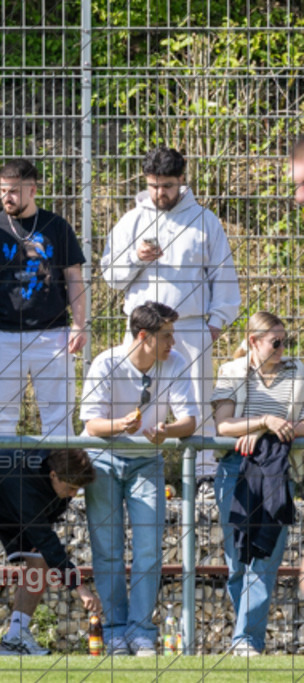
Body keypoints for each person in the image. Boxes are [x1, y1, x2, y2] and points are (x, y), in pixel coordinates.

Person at [100, 147, 240, 481]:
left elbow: (223, 275)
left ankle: (203, 476)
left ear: (182, 180)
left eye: (167, 186)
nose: (159, 193)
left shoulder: (204, 221)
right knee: (133, 400)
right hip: (141, 333)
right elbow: (110, 276)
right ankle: (135, 469)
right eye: (153, 185)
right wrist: (135, 257)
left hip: (190, 329)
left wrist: (215, 324)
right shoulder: (131, 221)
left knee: (197, 402)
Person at [80, 302, 198, 656]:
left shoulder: (174, 363)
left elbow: (190, 421)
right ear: (143, 337)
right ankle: (114, 630)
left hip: (148, 461)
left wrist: (168, 430)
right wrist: (121, 426)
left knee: (148, 550)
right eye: (166, 336)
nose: (172, 343)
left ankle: (141, 631)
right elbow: (90, 424)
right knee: (108, 550)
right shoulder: (105, 362)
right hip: (102, 460)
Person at [0, 160, 87, 456]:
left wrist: (79, 324)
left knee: (58, 417)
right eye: (3, 190)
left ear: (32, 190)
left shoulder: (56, 227)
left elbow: (74, 277)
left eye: (14, 191)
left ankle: (60, 484)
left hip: (52, 334)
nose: (7, 197)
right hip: (1, 335)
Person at [212, 311, 304, 656]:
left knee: (264, 557)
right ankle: (245, 636)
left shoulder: (299, 371)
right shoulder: (232, 371)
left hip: (278, 469)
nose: (282, 348)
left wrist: (280, 430)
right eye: (275, 342)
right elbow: (223, 425)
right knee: (237, 559)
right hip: (236, 467)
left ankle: (246, 640)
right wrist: (263, 421)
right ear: (253, 341)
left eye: (285, 341)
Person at [0, 448, 101, 656]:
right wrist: (80, 586)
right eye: (70, 488)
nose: (73, 495)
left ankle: (15, 637)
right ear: (53, 475)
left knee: (40, 561)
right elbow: (46, 539)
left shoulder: (60, 478)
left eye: (77, 489)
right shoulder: (26, 487)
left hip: (14, 510)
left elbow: (43, 534)